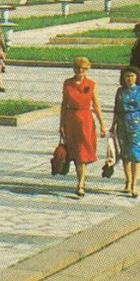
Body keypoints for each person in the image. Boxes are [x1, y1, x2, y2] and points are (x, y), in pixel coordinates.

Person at [59, 57, 106, 196]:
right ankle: (81, 181)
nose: (80, 71)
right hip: (71, 120)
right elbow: (63, 104)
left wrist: (102, 124)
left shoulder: (91, 84)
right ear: (73, 68)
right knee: (75, 152)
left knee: (82, 152)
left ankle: (80, 183)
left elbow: (96, 105)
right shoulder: (68, 83)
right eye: (78, 68)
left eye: (84, 68)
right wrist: (61, 124)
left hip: (85, 120)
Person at [111, 66, 140, 198]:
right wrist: (112, 125)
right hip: (122, 123)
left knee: (136, 154)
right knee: (125, 154)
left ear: (136, 77)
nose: (129, 79)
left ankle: (134, 184)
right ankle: (128, 180)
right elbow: (116, 109)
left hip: (136, 124)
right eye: (127, 76)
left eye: (132, 76)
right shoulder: (120, 91)